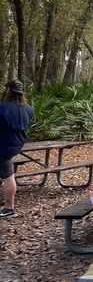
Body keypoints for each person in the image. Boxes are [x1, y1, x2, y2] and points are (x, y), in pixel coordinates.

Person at [0, 80, 34, 218]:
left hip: (3, 146)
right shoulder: (28, 109)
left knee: (8, 176)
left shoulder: (2, 108)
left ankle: (9, 208)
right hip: (16, 145)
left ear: (8, 90)